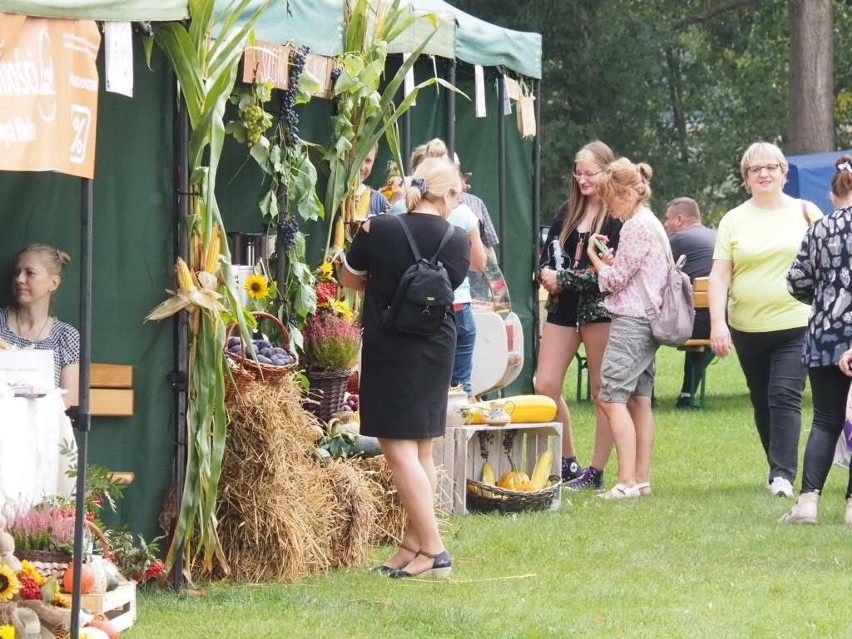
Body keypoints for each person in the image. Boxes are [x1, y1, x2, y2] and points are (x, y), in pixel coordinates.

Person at [342, 156, 470, 578]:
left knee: (399, 451)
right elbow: (447, 284)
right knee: (422, 448)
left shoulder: (380, 226)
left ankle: (434, 550)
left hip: (391, 344)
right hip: (437, 345)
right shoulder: (457, 237)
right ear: (447, 193)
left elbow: (350, 277)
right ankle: (411, 546)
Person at [709, 141, 821, 498]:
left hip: (797, 321)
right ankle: (777, 468)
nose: (764, 173)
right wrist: (717, 323)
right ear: (746, 178)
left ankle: (783, 476)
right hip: (748, 327)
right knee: (761, 399)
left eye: (771, 167)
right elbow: (720, 276)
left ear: (784, 173)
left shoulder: (807, 212)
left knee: (783, 396)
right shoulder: (733, 219)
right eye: (755, 169)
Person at [536, 141, 621, 487]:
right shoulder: (568, 210)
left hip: (599, 308)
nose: (583, 180)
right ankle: (568, 460)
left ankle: (596, 471)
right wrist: (544, 274)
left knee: (603, 391)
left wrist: (564, 278)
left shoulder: (616, 215)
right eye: (578, 173)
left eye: (590, 173)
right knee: (546, 384)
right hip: (563, 307)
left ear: (607, 171)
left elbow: (610, 272)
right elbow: (546, 253)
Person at [587, 158, 667, 499]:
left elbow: (617, 279)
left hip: (632, 320)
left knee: (610, 396)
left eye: (610, 198)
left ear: (625, 193)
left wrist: (595, 258)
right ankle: (642, 479)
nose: (607, 206)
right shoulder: (654, 223)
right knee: (640, 398)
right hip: (650, 319)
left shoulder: (635, 226)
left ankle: (626, 482)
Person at [781, 155, 852, 524]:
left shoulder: (819, 228)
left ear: (833, 193)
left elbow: (796, 281)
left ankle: (808, 502)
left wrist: (825, 297)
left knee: (826, 418)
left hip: (825, 333)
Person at [409, 139, 487, 396]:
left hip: (411, 305)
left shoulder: (400, 210)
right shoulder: (464, 215)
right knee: (459, 387)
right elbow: (480, 263)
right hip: (456, 304)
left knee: (420, 383)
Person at [0, 244, 80, 407]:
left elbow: (70, 401)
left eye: (30, 273)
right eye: (17, 272)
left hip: (44, 428)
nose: (19, 279)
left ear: (53, 283)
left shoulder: (66, 335)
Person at [663, 197, 717, 408]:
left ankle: (644, 396)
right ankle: (687, 394)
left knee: (643, 327)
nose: (665, 224)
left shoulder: (679, 240)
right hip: (720, 324)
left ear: (679, 219)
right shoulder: (716, 236)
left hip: (688, 325)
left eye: (667, 219)